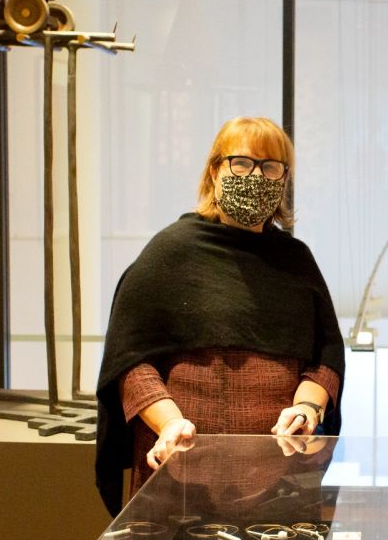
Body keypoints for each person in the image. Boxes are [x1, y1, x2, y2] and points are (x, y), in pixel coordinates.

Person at [94, 116, 345, 517]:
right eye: (242, 163)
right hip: (178, 471)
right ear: (215, 170)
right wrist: (170, 424)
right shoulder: (170, 253)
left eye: (270, 167)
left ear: (284, 179)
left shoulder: (295, 262)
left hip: (279, 478)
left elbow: (325, 356)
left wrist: (306, 409)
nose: (256, 177)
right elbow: (131, 361)